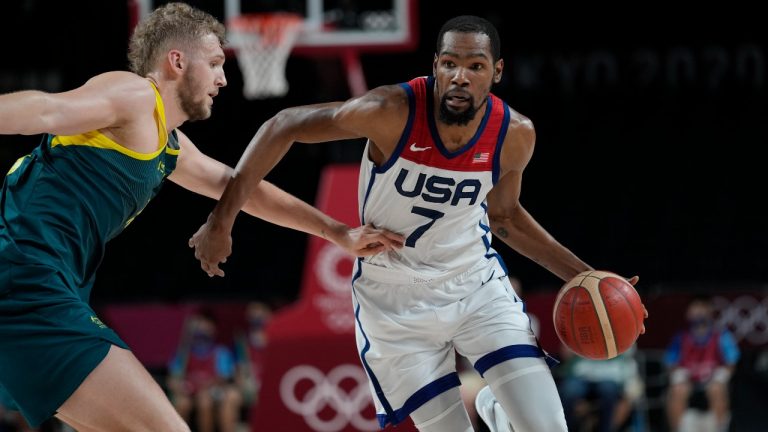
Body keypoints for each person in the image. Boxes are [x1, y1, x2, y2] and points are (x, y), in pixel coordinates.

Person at [189, 15, 647, 432]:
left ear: (497, 71)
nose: (460, 76)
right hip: (394, 300)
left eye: (475, 66)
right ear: (435, 66)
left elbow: (505, 217)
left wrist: (591, 279)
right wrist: (221, 219)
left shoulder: (514, 135)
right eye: (449, 64)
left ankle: (496, 409)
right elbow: (283, 123)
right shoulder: (390, 110)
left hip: (474, 286)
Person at [0, 2, 402, 431]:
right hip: (26, 280)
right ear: (176, 61)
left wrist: (338, 232)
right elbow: (45, 110)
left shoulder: (169, 145)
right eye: (213, 63)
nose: (222, 78)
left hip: (39, 284)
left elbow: (243, 189)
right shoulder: (135, 96)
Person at [664, 296, 739, 432]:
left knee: (717, 389)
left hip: (712, 378)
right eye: (694, 307)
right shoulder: (681, 336)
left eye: (700, 307)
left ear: (709, 310)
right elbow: (671, 362)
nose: (697, 312)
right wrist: (678, 375)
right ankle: (678, 429)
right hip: (689, 379)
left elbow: (731, 361)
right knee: (677, 390)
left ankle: (720, 428)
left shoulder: (720, 334)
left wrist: (721, 375)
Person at [167, 309, 241, 432]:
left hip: (211, 393)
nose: (201, 327)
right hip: (188, 393)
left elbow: (223, 377)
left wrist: (203, 386)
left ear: (213, 328)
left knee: (205, 401)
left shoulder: (220, 352)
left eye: (205, 323)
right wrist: (178, 386)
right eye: (198, 323)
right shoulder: (183, 352)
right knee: (181, 403)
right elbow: (173, 378)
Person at [557, 343, 643, 432]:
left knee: (608, 391)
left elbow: (629, 362)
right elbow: (566, 353)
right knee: (569, 390)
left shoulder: (625, 339)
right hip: (580, 374)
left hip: (611, 377)